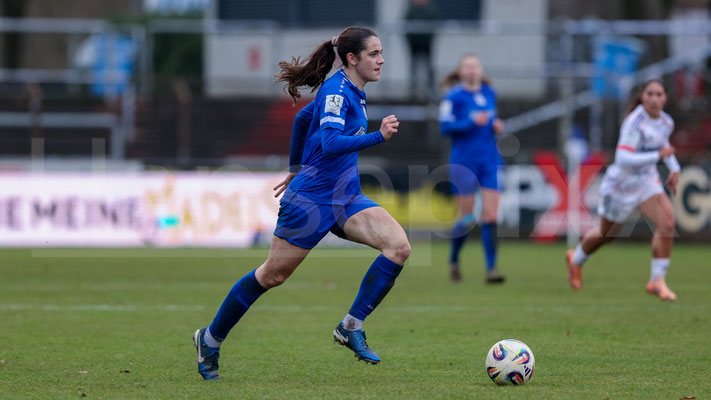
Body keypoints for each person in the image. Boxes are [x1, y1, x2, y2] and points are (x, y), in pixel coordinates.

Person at [192, 26, 410, 380]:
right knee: (272, 275)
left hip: (345, 196)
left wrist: (294, 168)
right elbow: (330, 143)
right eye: (374, 53)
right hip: (312, 200)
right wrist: (378, 136)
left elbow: (302, 118)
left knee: (398, 247)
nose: (381, 60)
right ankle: (210, 339)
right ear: (352, 58)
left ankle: (350, 326)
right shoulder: (338, 92)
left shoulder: (351, 88)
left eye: (381, 52)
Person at [566, 80, 680, 301]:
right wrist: (657, 156)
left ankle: (657, 281)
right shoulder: (634, 122)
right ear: (642, 96)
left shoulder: (667, 122)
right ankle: (576, 259)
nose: (655, 99)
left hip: (646, 182)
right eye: (650, 94)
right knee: (607, 235)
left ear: (665, 98)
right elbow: (623, 157)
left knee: (667, 224)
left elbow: (664, 146)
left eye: (659, 94)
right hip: (621, 186)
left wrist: (674, 168)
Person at [438, 54, 506, 284]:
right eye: (467, 66)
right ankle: (454, 260)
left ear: (480, 69)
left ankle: (491, 269)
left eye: (475, 65)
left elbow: (491, 121)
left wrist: (496, 126)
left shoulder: (489, 92)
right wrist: (470, 121)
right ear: (460, 71)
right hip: (464, 162)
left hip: (490, 161)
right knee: (467, 219)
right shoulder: (453, 96)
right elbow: (444, 127)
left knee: (491, 215)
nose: (472, 69)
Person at [404, 0, 439, 100]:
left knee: (429, 66)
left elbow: (434, 25)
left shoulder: (430, 11)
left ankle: (431, 88)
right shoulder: (411, 11)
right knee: (414, 66)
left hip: (426, 43)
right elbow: (406, 25)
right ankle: (413, 89)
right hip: (414, 43)